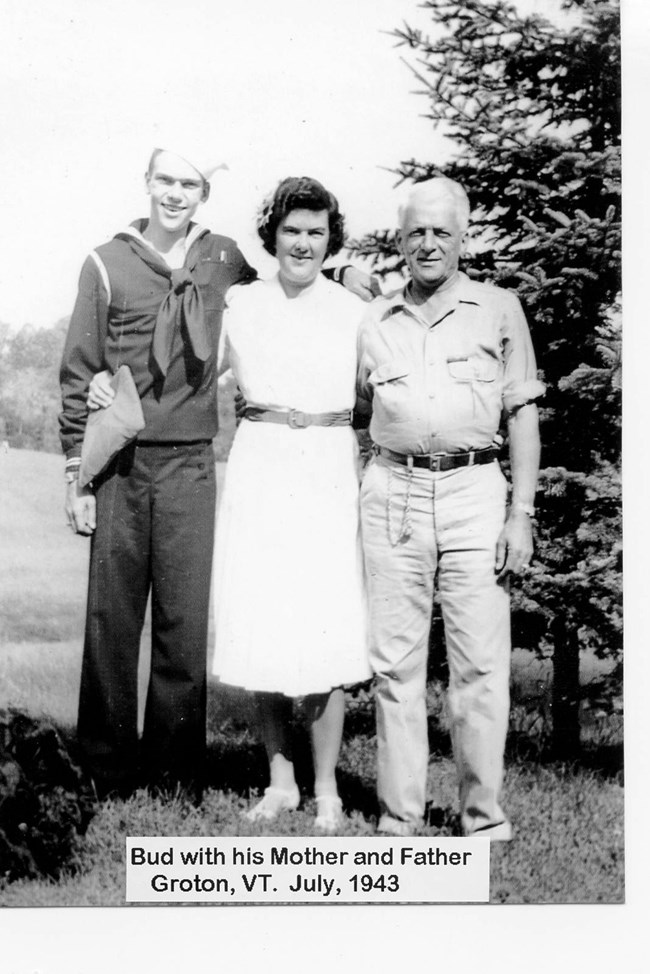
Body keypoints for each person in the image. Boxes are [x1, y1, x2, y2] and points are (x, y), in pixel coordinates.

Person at [60, 148, 373, 801]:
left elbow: (293, 281)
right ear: (147, 183)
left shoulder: (222, 257)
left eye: (189, 184)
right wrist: (82, 449)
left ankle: (174, 775)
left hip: (196, 462)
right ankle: (106, 771)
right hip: (124, 459)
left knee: (184, 624)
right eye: (165, 180)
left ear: (204, 192)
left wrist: (345, 272)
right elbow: (79, 367)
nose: (175, 194)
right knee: (112, 620)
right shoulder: (107, 262)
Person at [357, 177, 544, 839]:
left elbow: (523, 414)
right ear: (400, 240)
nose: (428, 243)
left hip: (474, 497)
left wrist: (520, 512)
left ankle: (481, 815)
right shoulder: (374, 319)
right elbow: (358, 411)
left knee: (481, 665)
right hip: (394, 494)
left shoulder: (498, 309)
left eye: (442, 231)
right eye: (416, 232)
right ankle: (399, 815)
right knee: (395, 666)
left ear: (463, 238)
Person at [211, 177, 371, 831]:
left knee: (329, 626)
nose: (303, 243)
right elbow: (190, 370)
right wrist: (110, 384)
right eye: (292, 230)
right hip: (261, 461)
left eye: (316, 231)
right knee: (260, 621)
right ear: (271, 235)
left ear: (331, 238)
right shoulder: (241, 304)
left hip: (329, 465)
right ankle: (280, 779)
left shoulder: (356, 307)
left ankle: (328, 787)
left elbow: (381, 389)